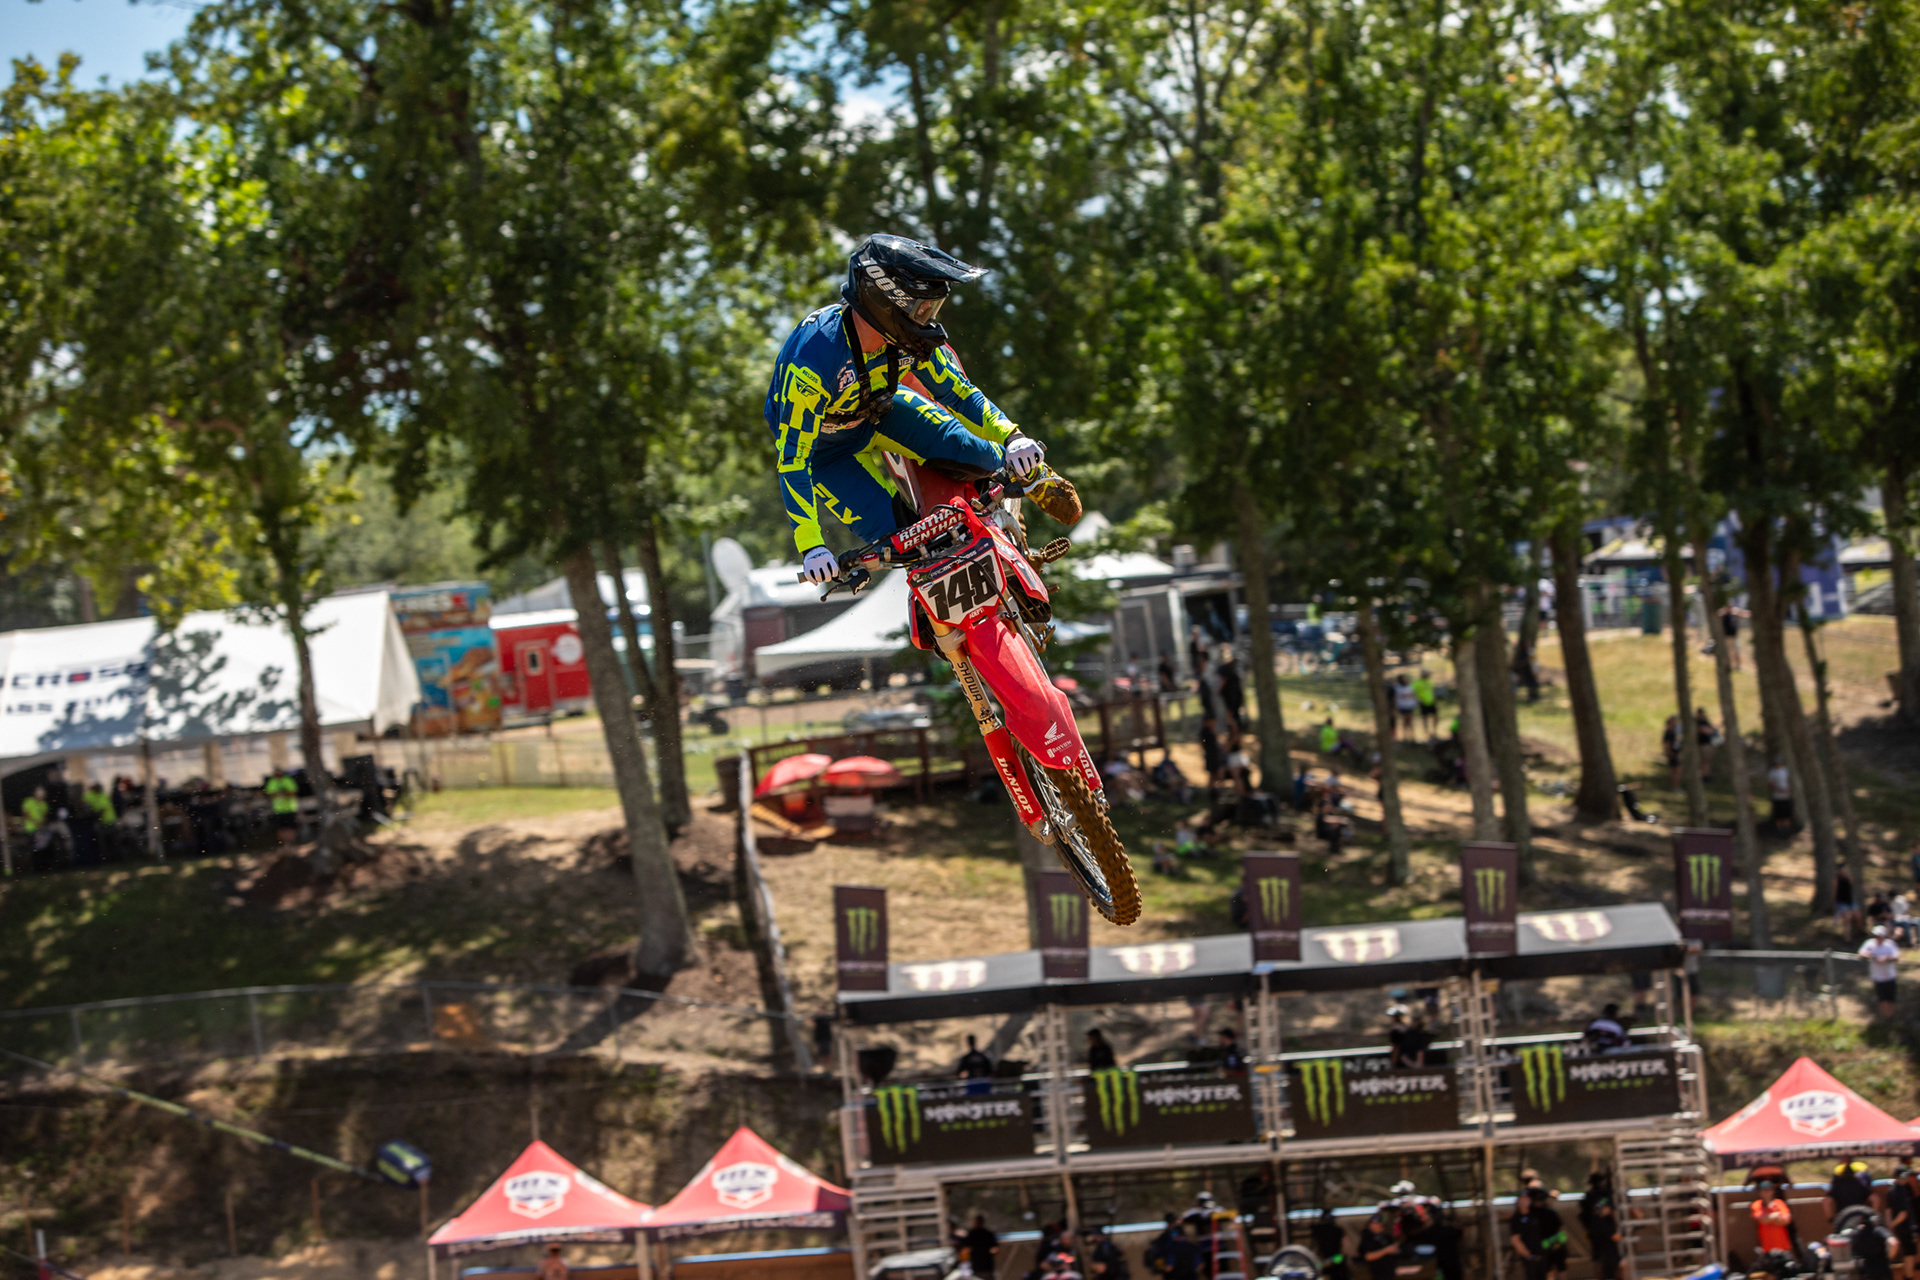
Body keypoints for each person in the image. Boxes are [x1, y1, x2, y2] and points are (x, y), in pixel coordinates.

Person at [765, 234, 1079, 588]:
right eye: (922, 309)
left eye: (933, 309)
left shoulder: (908, 338)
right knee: (912, 545)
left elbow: (960, 394)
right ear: (885, 302)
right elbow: (794, 459)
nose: (928, 321)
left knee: (979, 455)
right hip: (828, 454)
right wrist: (811, 546)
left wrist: (1013, 436)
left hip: (883, 411)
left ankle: (1034, 476)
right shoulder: (811, 363)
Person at [1509, 1185, 1564, 1280]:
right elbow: (1515, 1239)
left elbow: (1559, 1233)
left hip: (1544, 1253)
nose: (1524, 1201)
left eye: (1526, 1199)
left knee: (1548, 1273)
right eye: (1522, 1199)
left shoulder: (1536, 1214)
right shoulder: (1517, 1218)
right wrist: (1528, 1255)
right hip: (1531, 1255)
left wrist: (1553, 1245)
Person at [1861, 925, 1901, 1020]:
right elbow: (1861, 954)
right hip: (1877, 977)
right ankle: (1886, 1016)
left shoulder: (1890, 944)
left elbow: (1896, 957)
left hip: (1889, 976)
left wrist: (1886, 958)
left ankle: (1891, 1015)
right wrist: (1867, 955)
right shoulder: (1869, 944)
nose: (1878, 938)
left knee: (1891, 998)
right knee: (1882, 998)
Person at [1752, 1181, 1795, 1261]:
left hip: (1782, 1246)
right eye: (1764, 1190)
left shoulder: (1779, 1203)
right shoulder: (1757, 1204)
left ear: (1773, 1191)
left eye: (1768, 1190)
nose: (1766, 1193)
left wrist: (1768, 1217)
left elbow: (1786, 1220)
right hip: (1766, 1248)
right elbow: (1761, 1219)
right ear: (1760, 1192)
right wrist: (1776, 1215)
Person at [1852, 1208, 1900, 1280]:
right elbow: (1894, 1244)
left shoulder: (1857, 1234)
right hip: (1883, 1270)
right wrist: (1889, 1257)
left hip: (1866, 1271)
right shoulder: (1879, 1230)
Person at [1890, 1165, 1918, 1276]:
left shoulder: (1891, 1190)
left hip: (1899, 1228)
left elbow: (1888, 1210)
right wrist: (1893, 1225)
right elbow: (1903, 1213)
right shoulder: (1901, 1190)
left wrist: (1890, 1225)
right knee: (1910, 1255)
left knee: (1907, 1254)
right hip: (1906, 1228)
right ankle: (1909, 1276)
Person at [1357, 1209, 1399, 1280]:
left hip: (1389, 1271)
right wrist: (1387, 1250)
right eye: (1377, 1223)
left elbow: (1394, 1249)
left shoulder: (1385, 1236)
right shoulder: (1367, 1237)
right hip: (1377, 1272)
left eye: (1381, 1223)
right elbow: (1368, 1256)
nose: (1380, 1225)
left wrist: (1395, 1250)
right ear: (1371, 1225)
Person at [1310, 1208, 1350, 1280]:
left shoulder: (1318, 1228)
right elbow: (1346, 1244)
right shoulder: (1336, 1229)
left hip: (1328, 1258)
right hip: (1334, 1257)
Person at [1589, 1198, 1622, 1280]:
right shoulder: (1600, 1221)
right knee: (1608, 1273)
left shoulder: (1602, 1219)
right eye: (1607, 1208)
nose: (1610, 1210)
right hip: (1606, 1253)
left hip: (1605, 1252)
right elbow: (1614, 1237)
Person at [265, 767, 300, 846]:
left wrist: (281, 793)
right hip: (278, 809)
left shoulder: (287, 780)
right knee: (281, 828)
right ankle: (284, 844)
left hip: (290, 808)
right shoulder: (272, 782)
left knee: (291, 827)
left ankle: (291, 843)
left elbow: (293, 793)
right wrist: (280, 793)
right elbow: (270, 794)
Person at [962, 1214, 999, 1279]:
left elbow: (965, 1248)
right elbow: (995, 1249)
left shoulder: (972, 1234)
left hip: (977, 1265)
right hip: (986, 1264)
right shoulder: (988, 1233)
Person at [1768, 757, 1794, 833]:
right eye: (1777, 762)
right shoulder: (1772, 772)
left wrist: (1789, 790)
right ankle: (1779, 829)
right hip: (1777, 797)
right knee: (1778, 814)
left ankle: (1787, 829)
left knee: (1787, 813)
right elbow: (1770, 784)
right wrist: (1780, 790)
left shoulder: (1785, 770)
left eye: (1779, 762)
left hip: (1786, 796)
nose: (1778, 763)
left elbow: (1788, 781)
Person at [1694, 706, 1719, 779]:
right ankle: (1703, 775)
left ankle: (1707, 775)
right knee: (1703, 761)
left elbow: (1711, 730)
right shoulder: (1697, 722)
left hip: (1707, 743)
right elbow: (1705, 730)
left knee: (1707, 761)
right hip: (1701, 744)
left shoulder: (1705, 721)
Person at [1839, 869, 1862, 940]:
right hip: (1842, 903)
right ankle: (1847, 939)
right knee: (1847, 920)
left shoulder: (1848, 880)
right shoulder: (1837, 880)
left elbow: (1851, 879)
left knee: (1858, 916)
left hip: (1850, 902)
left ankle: (1860, 932)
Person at [1662, 715, 1684, 789]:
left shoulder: (1674, 732)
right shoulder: (1668, 733)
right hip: (1673, 755)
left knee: (1677, 770)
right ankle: (1675, 786)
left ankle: (1676, 786)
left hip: (1676, 754)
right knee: (1676, 771)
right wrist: (1671, 754)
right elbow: (1667, 745)